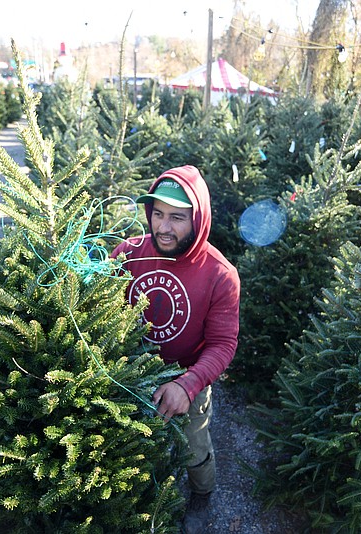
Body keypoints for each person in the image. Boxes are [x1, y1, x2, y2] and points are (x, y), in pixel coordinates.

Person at [112, 165, 240, 534]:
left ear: (197, 219)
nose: (163, 227)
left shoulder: (220, 274)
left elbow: (222, 344)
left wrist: (188, 384)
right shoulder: (127, 254)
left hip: (187, 379)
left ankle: (202, 496)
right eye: (158, 214)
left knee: (194, 448)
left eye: (177, 218)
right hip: (128, 375)